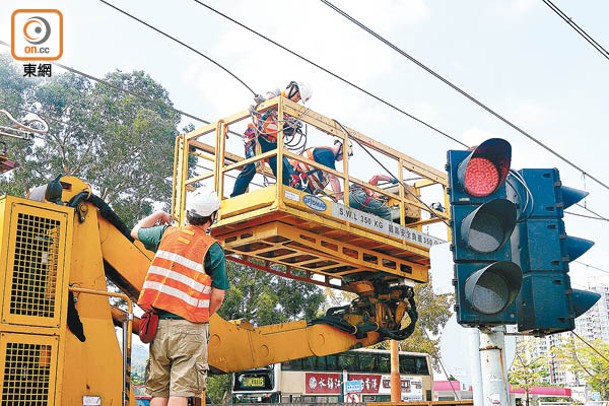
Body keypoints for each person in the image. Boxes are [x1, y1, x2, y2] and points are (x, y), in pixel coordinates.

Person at [131, 186, 229, 406]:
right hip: (189, 327)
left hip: (159, 328)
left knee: (159, 392)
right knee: (181, 391)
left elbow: (135, 231)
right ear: (212, 217)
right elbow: (218, 296)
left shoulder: (165, 233)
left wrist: (159, 214)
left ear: (188, 213)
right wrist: (203, 315)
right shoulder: (211, 249)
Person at [230, 80, 313, 198]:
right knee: (251, 167)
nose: (297, 99)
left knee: (283, 172)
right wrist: (263, 103)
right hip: (257, 138)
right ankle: (235, 197)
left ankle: (284, 197)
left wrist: (292, 126)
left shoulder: (291, 109)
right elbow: (268, 98)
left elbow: (291, 125)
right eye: (298, 96)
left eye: (299, 98)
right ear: (293, 88)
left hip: (273, 143)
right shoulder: (277, 93)